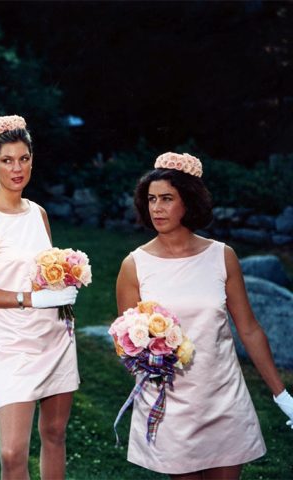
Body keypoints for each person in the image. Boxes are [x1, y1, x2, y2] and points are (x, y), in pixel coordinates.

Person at [115, 152, 293, 480]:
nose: (157, 208)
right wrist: (152, 369)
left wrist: (282, 395)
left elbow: (250, 330)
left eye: (167, 199)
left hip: (223, 397)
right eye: (151, 199)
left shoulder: (222, 257)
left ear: (189, 202)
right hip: (169, 403)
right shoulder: (134, 266)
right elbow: (127, 344)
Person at [0, 115, 79, 479]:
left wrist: (64, 285)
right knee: (13, 453)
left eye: (24, 158)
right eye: (8, 160)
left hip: (54, 336)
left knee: (55, 434)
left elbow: (46, 268)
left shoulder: (39, 214)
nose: (17, 168)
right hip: (9, 344)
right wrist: (27, 299)